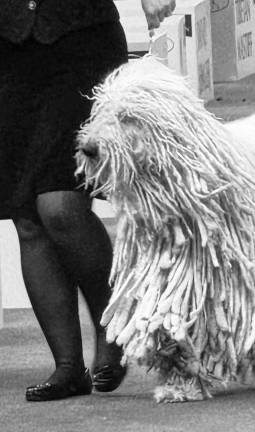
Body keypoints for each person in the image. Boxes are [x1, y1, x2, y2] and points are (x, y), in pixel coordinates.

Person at [0, 0, 176, 402]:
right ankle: (67, 368)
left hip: (80, 44)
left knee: (60, 207)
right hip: (8, 52)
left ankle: (113, 324)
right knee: (25, 215)